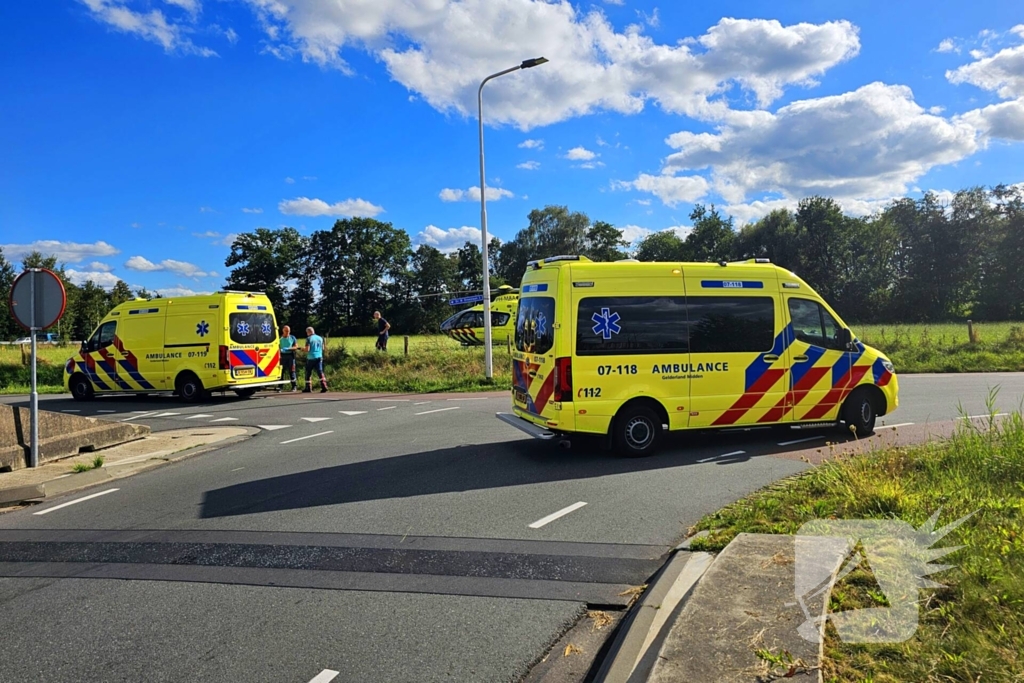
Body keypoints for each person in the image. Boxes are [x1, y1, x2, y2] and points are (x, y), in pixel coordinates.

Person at [303, 326, 328, 393]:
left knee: (308, 372)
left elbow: (307, 349)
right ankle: (324, 386)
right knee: (320, 372)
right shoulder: (320, 338)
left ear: (308, 332)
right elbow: (322, 348)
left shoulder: (308, 339)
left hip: (311, 357)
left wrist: (302, 349)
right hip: (319, 356)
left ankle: (308, 387)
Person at [278, 324, 298, 391]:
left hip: (290, 356)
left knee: (292, 371)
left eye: (289, 331)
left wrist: (289, 348)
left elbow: (296, 347)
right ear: (283, 331)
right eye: (286, 331)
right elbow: (277, 347)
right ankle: (280, 387)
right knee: (281, 372)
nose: (287, 332)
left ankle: (294, 386)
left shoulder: (292, 338)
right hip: (282, 356)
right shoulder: (279, 338)